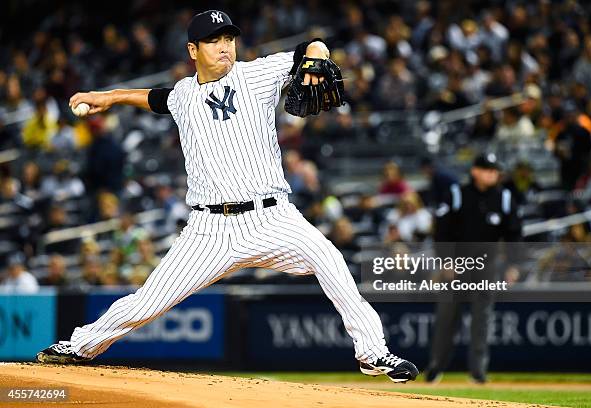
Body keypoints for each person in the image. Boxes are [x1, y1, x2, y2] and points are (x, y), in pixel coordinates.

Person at [36, 10, 418, 383]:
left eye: (229, 38)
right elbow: (156, 97)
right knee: (148, 302)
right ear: (192, 50)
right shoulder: (184, 95)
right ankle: (81, 346)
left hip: (272, 218)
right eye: (213, 41)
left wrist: (317, 52)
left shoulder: (258, 74)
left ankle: (371, 353)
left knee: (329, 259)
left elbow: (311, 47)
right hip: (209, 229)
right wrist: (112, 96)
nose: (225, 47)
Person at [426, 154, 521, 384]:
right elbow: (442, 232)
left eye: (494, 170)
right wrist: (445, 261)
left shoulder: (505, 197)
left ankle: (478, 371)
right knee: (447, 318)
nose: (493, 174)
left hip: (487, 266)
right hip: (457, 265)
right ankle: (436, 367)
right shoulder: (457, 194)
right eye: (487, 169)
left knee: (482, 319)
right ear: (475, 171)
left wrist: (513, 265)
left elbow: (514, 234)